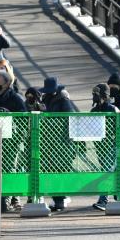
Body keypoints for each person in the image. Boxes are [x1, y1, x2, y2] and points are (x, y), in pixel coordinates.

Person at [39, 77, 79, 212]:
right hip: (50, 141)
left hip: (62, 142)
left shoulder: (63, 100)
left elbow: (70, 118)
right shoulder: (46, 99)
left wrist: (50, 120)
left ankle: (60, 200)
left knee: (58, 170)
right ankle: (58, 200)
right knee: (50, 171)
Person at [90, 82, 120, 211]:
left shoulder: (112, 109)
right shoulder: (94, 110)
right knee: (108, 171)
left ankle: (103, 200)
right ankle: (119, 197)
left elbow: (118, 128)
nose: (94, 96)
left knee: (107, 171)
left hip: (112, 146)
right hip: (100, 147)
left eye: (96, 94)